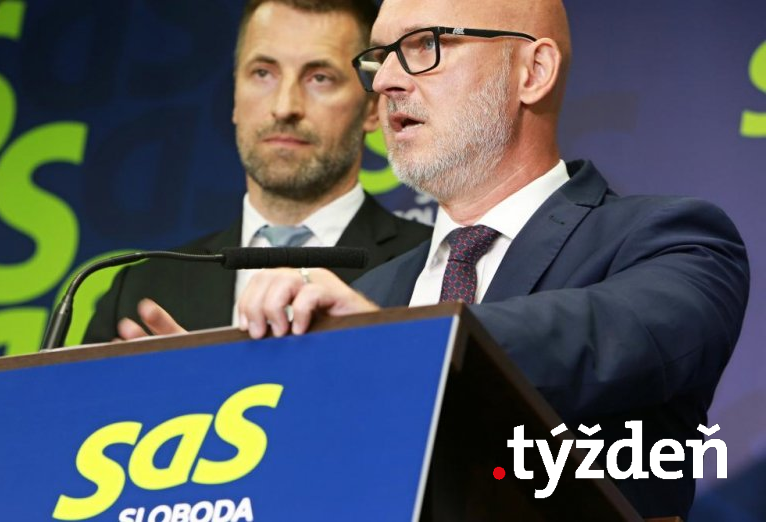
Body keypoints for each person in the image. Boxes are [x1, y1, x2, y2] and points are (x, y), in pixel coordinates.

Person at [138, 0, 751, 517]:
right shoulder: (376, 294)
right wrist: (219, 407)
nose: (384, 81)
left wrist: (402, 347)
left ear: (532, 71)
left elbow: (603, 341)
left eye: (424, 45)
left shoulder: (671, 240)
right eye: (381, 55)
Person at [83, 0, 431, 343]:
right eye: (263, 73)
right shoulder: (140, 291)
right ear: (235, 94)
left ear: (372, 107)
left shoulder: (434, 267)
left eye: (320, 78)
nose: (284, 107)